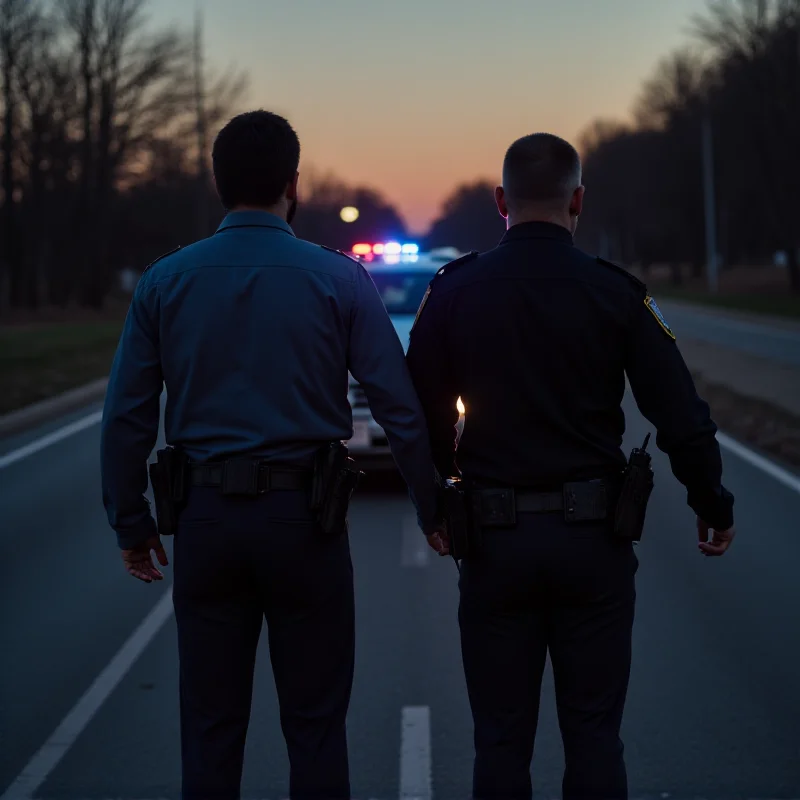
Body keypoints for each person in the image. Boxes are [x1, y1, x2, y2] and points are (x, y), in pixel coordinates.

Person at [100, 109, 446, 800]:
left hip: (205, 523)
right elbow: (400, 406)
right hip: (305, 523)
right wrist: (433, 505)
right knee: (316, 726)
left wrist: (131, 522)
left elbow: (128, 416)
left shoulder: (165, 283)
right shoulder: (341, 281)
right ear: (294, 183)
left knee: (210, 728)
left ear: (217, 181)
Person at [406, 132, 736, 800]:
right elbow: (681, 416)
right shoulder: (616, 293)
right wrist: (712, 501)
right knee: (592, 735)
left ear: (502, 201)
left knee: (499, 739)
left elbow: (420, 418)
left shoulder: (454, 292)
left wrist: (435, 502)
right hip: (593, 546)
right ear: (578, 199)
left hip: (494, 546)